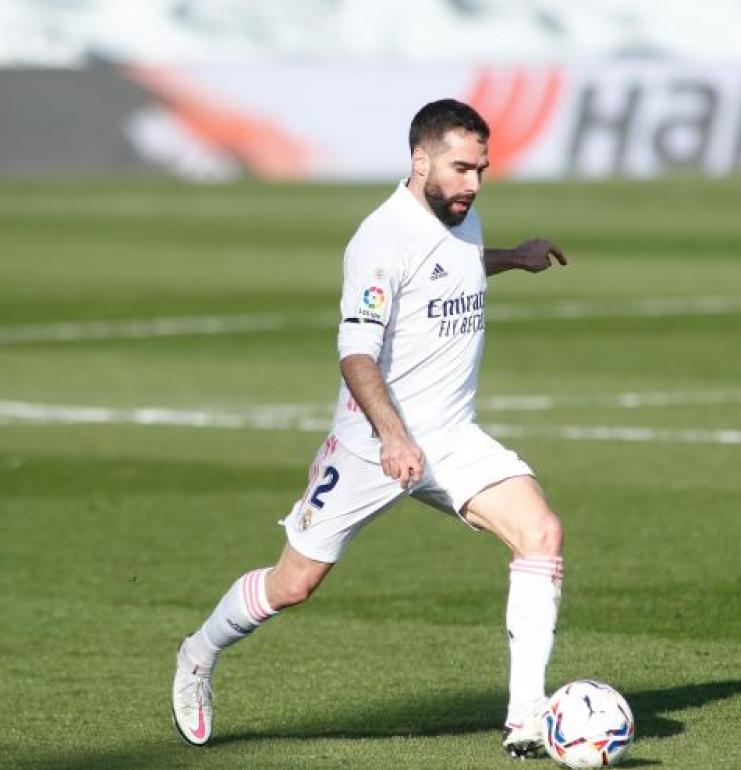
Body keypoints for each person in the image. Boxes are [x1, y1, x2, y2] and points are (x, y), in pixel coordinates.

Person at [171, 98, 569, 759]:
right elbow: (356, 352)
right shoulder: (379, 240)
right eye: (462, 169)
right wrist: (392, 435)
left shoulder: (458, 214)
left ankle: (526, 718)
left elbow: (451, 265)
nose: (474, 183)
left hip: (451, 437)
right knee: (293, 584)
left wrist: (513, 257)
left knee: (541, 533)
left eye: (482, 170)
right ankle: (197, 654)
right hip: (369, 445)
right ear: (421, 161)